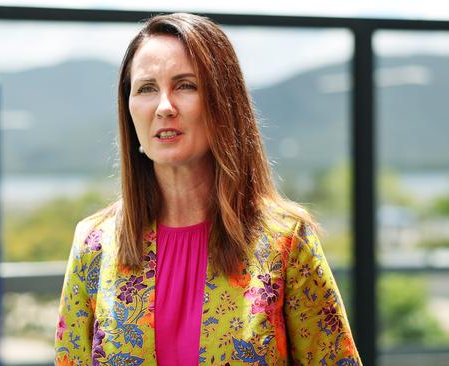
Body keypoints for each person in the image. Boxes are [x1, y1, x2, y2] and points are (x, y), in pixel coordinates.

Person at [55, 13, 361, 366]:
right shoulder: (93, 244)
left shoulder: (285, 241)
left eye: (185, 85)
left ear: (223, 102)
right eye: (146, 88)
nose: (164, 106)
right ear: (128, 110)